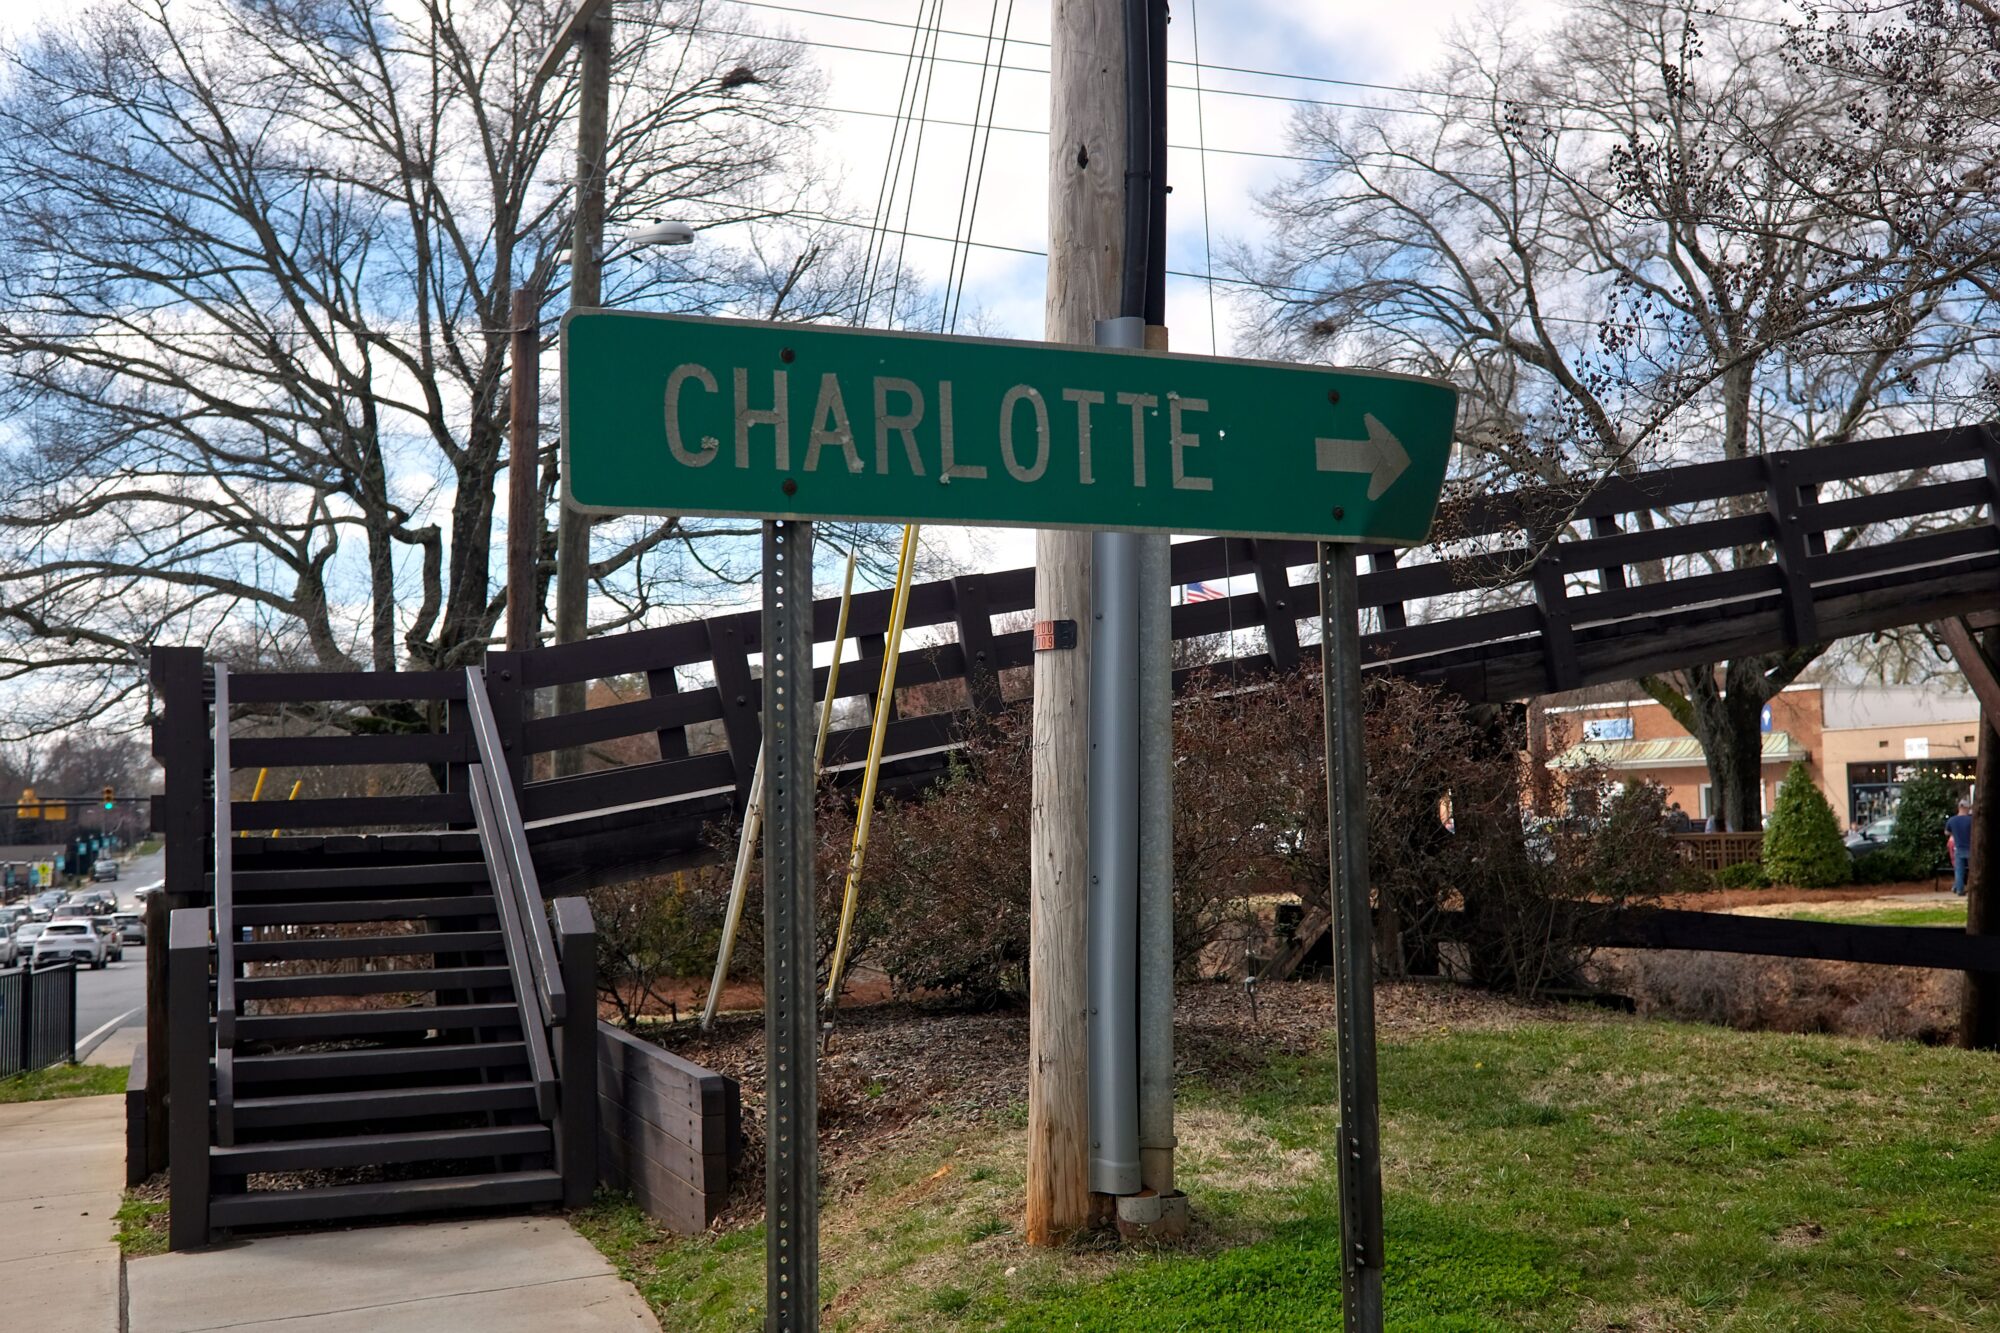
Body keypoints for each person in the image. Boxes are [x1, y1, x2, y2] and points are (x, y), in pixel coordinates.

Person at [1947, 798, 1974, 897]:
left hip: (1958, 848)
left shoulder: (1952, 820)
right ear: (1967, 808)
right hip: (1971, 848)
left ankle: (1959, 889)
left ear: (1959, 807)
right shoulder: (1971, 820)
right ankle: (1973, 889)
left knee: (1959, 871)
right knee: (1973, 870)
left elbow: (1947, 832)